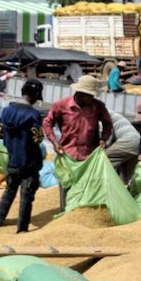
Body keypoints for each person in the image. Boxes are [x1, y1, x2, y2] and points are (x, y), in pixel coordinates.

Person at [42, 75, 113, 212]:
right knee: (66, 187)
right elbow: (47, 122)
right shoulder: (61, 105)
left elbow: (108, 124)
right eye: (89, 95)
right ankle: (64, 215)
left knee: (85, 189)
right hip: (67, 155)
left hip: (88, 157)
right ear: (80, 93)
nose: (91, 98)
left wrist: (104, 139)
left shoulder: (98, 107)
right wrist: (55, 143)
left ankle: (80, 218)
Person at [0, 80, 45, 233]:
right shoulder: (34, 115)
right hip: (29, 163)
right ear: (35, 95)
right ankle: (22, 229)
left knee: (9, 190)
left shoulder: (7, 111)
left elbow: (0, 133)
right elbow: (38, 139)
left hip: (11, 160)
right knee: (26, 196)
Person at [106, 109, 141, 182]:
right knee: (126, 179)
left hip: (127, 141)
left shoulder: (99, 113)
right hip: (136, 142)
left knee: (100, 161)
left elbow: (107, 135)